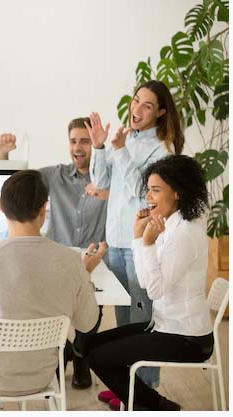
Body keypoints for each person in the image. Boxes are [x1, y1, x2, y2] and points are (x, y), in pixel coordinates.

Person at [0, 169, 106, 410]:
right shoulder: (70, 260)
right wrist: (84, 274)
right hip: (42, 376)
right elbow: (87, 323)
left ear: (1, 207)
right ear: (44, 209)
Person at [86, 155, 213, 411]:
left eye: (156, 190)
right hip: (164, 325)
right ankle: (135, 395)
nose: (148, 197)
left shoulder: (185, 234)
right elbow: (146, 282)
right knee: (90, 346)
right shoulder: (168, 227)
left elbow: (154, 290)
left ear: (177, 193)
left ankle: (155, 405)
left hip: (187, 339)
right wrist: (138, 237)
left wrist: (145, 243)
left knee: (98, 357)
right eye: (148, 190)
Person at [86, 80, 185, 406]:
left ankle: (146, 392)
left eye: (147, 105)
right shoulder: (125, 139)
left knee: (142, 321)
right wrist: (99, 147)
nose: (137, 109)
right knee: (124, 321)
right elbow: (100, 181)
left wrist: (119, 150)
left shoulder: (161, 150)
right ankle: (126, 387)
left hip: (140, 244)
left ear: (160, 112)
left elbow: (144, 192)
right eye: (136, 100)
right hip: (115, 241)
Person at [0, 117, 108, 389]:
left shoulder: (107, 179)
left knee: (91, 311)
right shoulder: (54, 176)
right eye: (73, 141)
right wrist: (3, 155)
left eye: (85, 141)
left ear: (95, 144)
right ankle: (59, 352)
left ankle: (80, 355)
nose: (78, 147)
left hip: (94, 261)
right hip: (55, 260)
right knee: (51, 312)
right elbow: (16, 187)